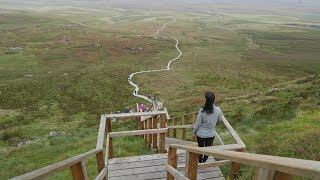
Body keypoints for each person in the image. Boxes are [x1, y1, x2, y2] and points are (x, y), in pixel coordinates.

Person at [193, 91, 223, 163]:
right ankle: (204, 161)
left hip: (201, 134)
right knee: (208, 149)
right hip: (211, 134)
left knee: (200, 149)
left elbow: (198, 124)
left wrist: (194, 132)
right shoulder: (218, 110)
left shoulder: (202, 111)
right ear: (214, 99)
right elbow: (220, 120)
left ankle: (200, 162)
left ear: (206, 99)